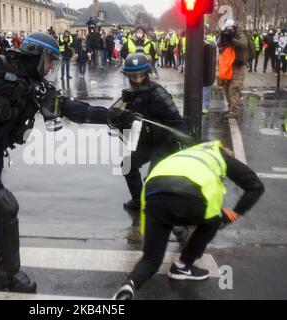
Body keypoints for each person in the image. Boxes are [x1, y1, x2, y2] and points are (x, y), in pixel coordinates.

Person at [0, 32, 136, 293]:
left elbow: (74, 109)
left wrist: (112, 116)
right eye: (49, 60)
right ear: (36, 54)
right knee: (4, 204)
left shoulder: (38, 87)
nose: (52, 66)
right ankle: (8, 275)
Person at [113, 141, 265, 300]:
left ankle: (130, 284)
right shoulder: (220, 155)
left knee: (151, 260)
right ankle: (183, 265)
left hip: (154, 194)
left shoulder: (185, 154)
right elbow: (256, 186)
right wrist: (233, 214)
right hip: (189, 197)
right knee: (214, 220)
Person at [118, 53, 189, 242]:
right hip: (146, 143)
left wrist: (184, 142)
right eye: (133, 76)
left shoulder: (159, 94)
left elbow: (178, 122)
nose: (137, 80)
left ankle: (177, 225)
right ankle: (138, 200)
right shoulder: (130, 94)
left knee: (155, 182)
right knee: (127, 165)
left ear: (147, 73)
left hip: (166, 143)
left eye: (140, 75)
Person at [218, 19, 248, 119]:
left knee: (234, 87)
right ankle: (231, 107)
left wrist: (232, 39)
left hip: (239, 65)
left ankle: (234, 111)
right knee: (226, 86)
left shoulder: (240, 33)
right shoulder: (225, 33)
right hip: (229, 64)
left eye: (230, 29)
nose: (229, 31)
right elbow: (219, 45)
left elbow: (244, 45)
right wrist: (223, 36)